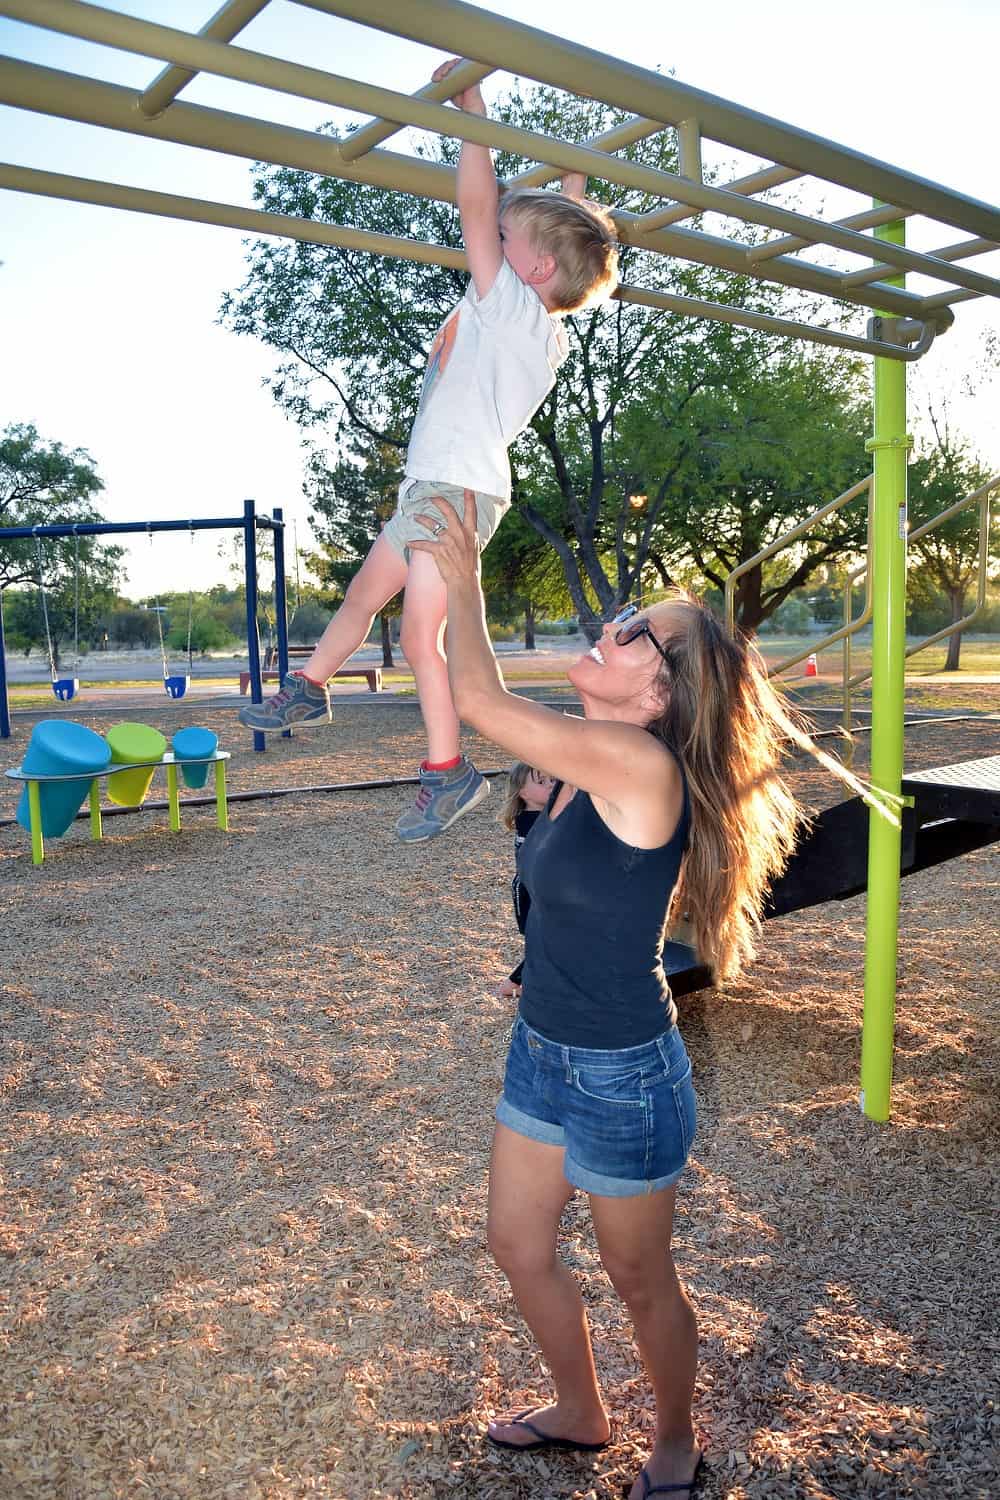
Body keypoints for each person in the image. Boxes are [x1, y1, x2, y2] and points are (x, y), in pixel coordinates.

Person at [408, 491, 885, 1500]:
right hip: (543, 1049)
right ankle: (581, 1412)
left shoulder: (634, 762)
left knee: (639, 1279)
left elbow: (483, 705)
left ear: (661, 698)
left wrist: (461, 581)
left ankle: (675, 1438)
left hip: (624, 1072)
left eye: (638, 637)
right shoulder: (574, 770)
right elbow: (585, 895)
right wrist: (539, 960)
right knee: (515, 1245)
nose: (610, 630)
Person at [239, 56, 619, 845]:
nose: (490, 241)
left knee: (419, 636)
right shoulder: (522, 315)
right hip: (434, 484)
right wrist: (574, 187)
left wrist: (471, 106)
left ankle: (448, 773)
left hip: (456, 486)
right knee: (361, 596)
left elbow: (479, 206)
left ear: (534, 267)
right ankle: (309, 686)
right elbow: (544, 224)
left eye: (508, 240)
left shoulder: (512, 311)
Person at [496, 763, 555, 999]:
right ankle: (511, 985)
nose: (551, 785)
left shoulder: (542, 815)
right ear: (523, 792)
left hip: (540, 891)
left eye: (553, 779)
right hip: (531, 894)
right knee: (542, 944)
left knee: (548, 942)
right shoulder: (529, 820)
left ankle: (529, 983)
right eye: (541, 782)